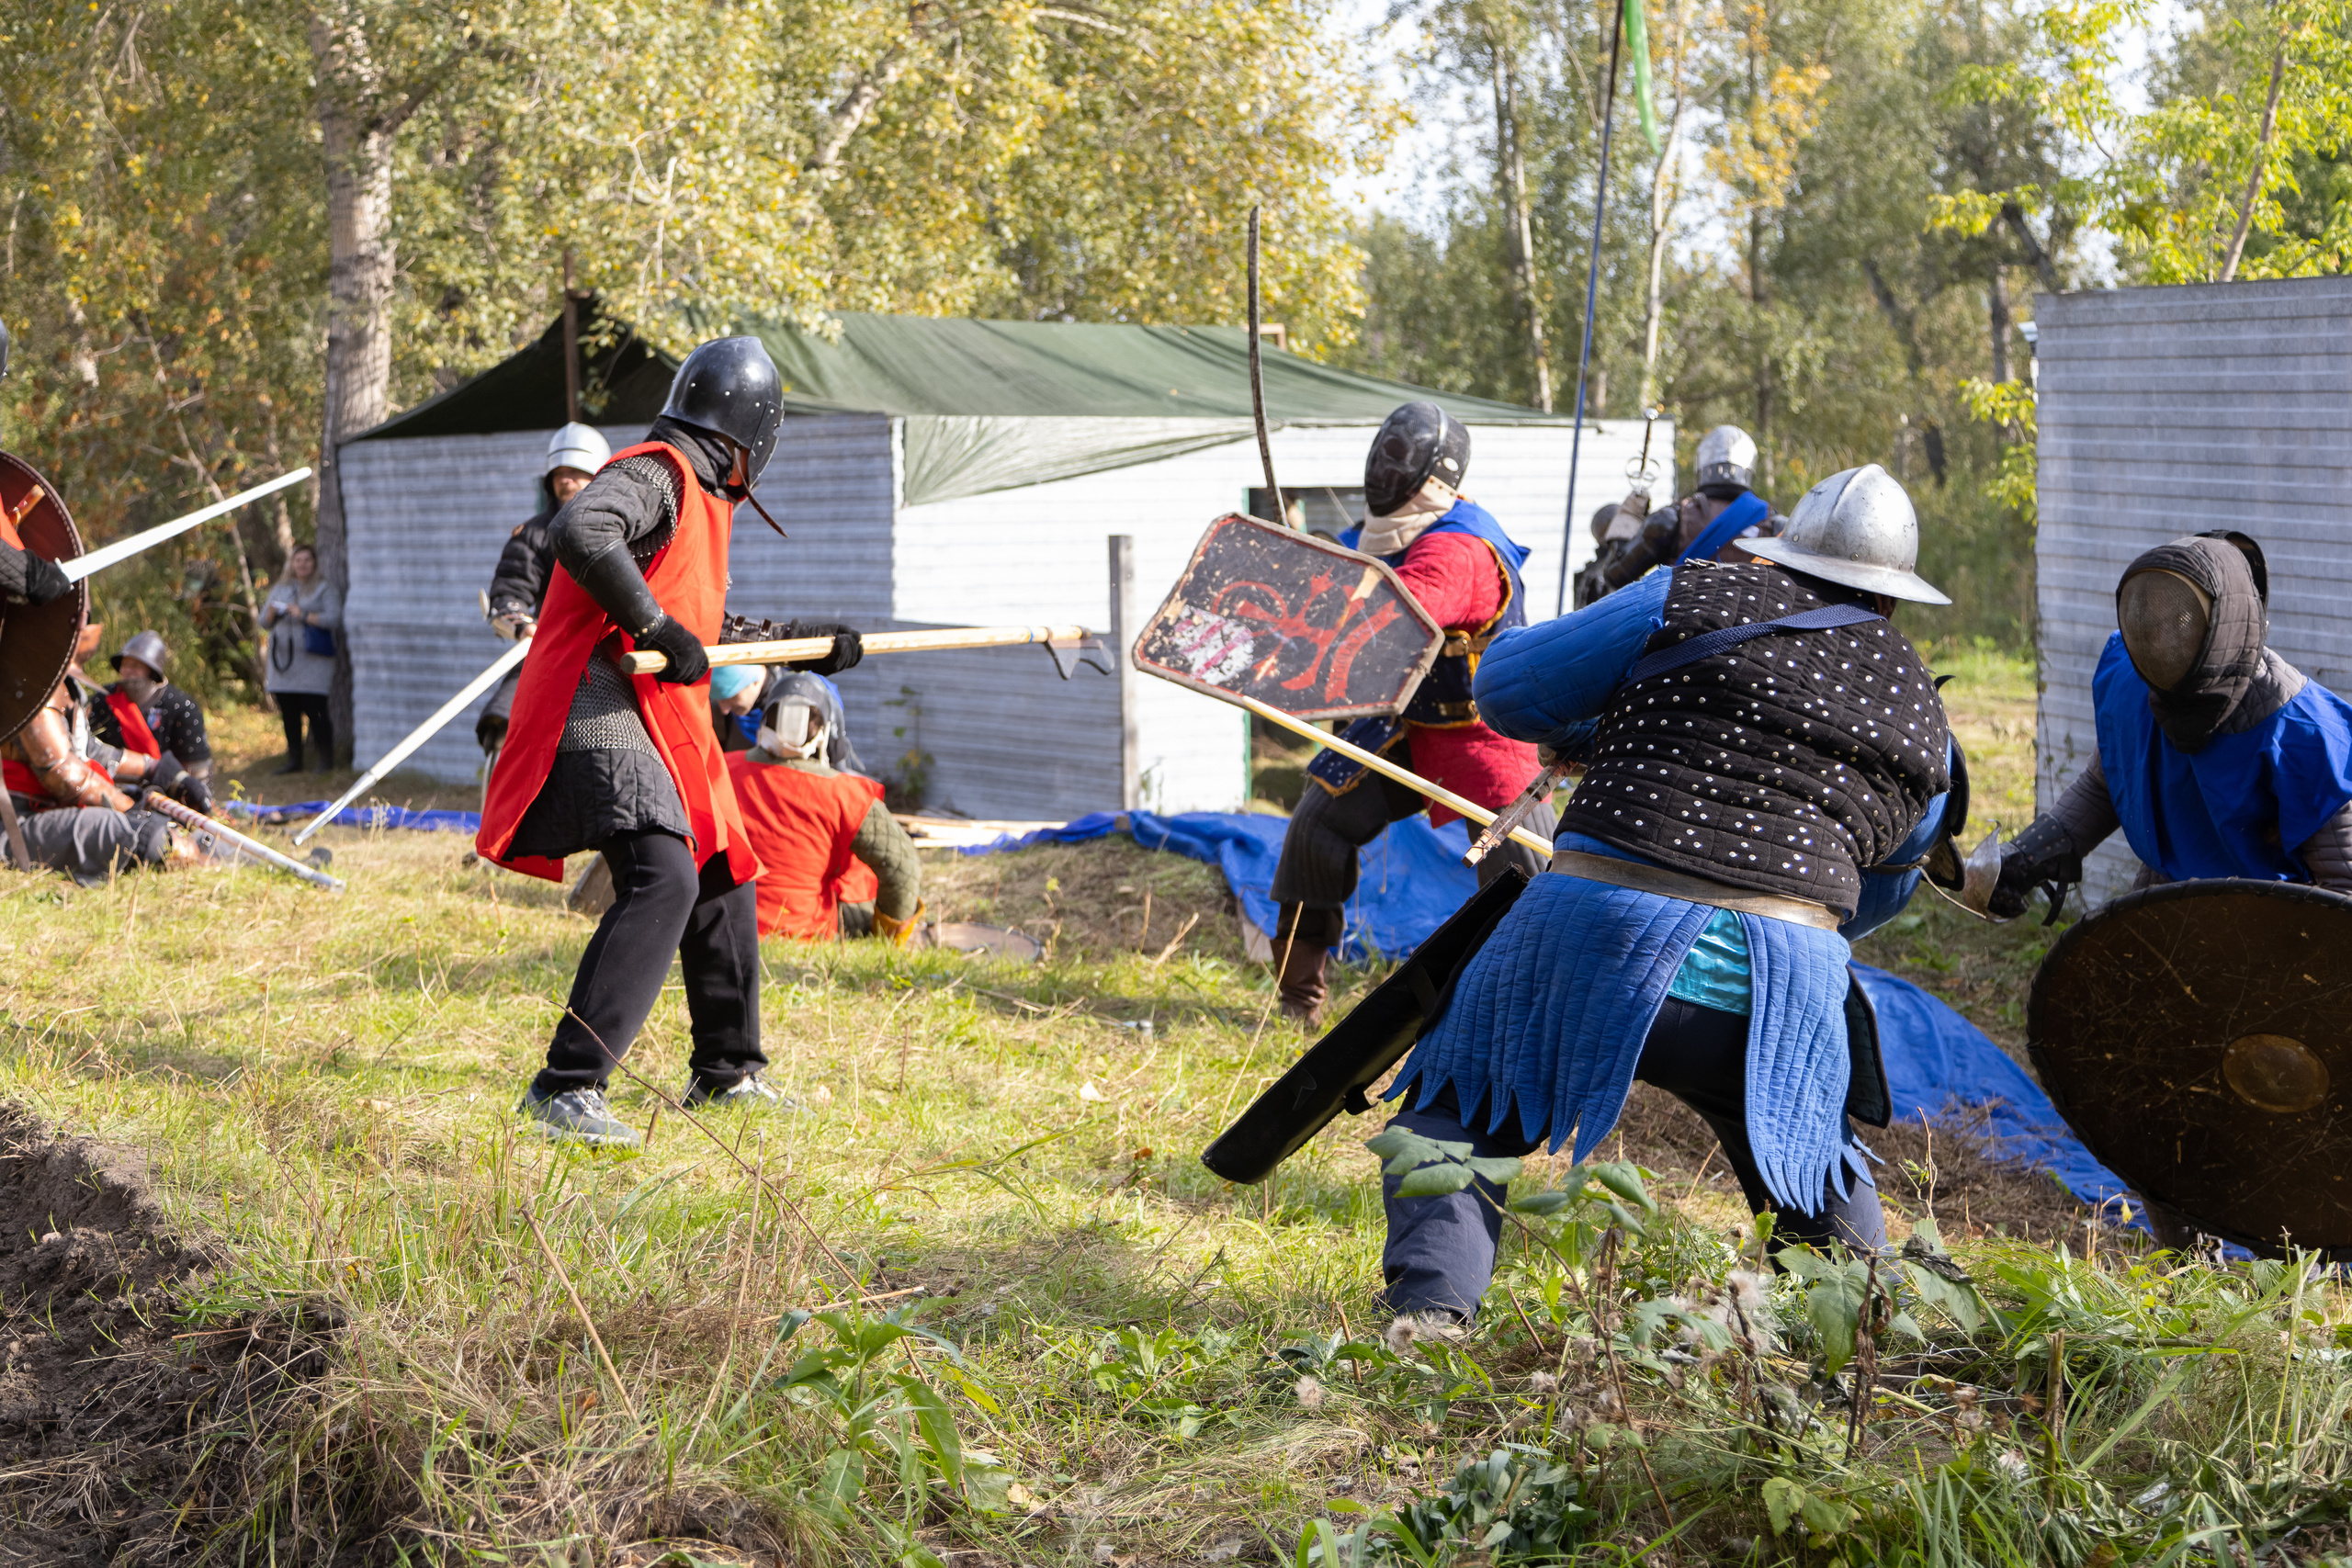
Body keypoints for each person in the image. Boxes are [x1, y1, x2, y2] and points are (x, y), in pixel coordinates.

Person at [1375, 464, 1957, 1321]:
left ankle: (1427, 1324)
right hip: (1781, 982)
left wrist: (1600, 718)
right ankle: (1869, 1337)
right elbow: (1877, 896)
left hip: (1592, 936)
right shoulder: (1920, 707)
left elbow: (1504, 688)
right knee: (1808, 1157)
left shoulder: (1692, 595)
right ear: (1895, 595)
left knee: (1456, 1107)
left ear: (1781, 552)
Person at [477, 335, 864, 1148]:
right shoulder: (659, 470)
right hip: (597, 698)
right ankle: (566, 1084)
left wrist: (809, 642)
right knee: (663, 875)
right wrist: (651, 624)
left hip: (661, 717)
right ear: (749, 435)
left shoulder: (700, 501)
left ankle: (728, 1072)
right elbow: (580, 530)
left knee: (724, 871)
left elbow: (710, 630)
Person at [1266, 401, 1555, 1026]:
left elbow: (1397, 611)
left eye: (1399, 459)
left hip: (1487, 734)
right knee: (1317, 824)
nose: (1384, 469)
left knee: (1524, 879)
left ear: (1431, 475)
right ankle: (1296, 1003)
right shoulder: (1383, 535)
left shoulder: (1459, 547)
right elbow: (1346, 578)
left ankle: (1520, 1016)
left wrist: (1321, 595)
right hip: (1401, 728)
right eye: (1384, 454)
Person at [1991, 532, 2352, 915]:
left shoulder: (2302, 732)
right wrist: (2025, 857)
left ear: (2226, 621)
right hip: (2164, 912)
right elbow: (2104, 787)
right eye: (2152, 622)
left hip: (2269, 927)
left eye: (2180, 621)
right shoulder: (2133, 685)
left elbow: (2341, 893)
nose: (2161, 641)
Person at [3, 624, 216, 883]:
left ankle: (219, 855)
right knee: (141, 834)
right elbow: (64, 772)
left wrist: (159, 770)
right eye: (82, 620)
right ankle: (208, 862)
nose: (91, 628)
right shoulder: (33, 681)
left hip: (52, 808)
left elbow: (90, 750)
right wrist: (130, 810)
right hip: (16, 822)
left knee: (156, 820)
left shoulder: (61, 682)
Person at [726, 673, 922, 941]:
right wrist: (886, 938)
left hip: (725, 926)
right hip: (809, 933)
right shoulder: (845, 793)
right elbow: (902, 866)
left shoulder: (721, 770)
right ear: (825, 731)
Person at [478, 423, 613, 762]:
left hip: (614, 651)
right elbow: (511, 592)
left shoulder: (624, 532)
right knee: (505, 726)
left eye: (577, 472)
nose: (566, 479)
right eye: (560, 473)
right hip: (551, 648)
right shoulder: (533, 535)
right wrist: (523, 625)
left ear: (597, 475)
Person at [1576, 424, 1781, 607]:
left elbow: (1615, 576)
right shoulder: (1776, 525)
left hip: (1680, 638)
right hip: (1751, 635)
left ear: (1701, 465)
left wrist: (1626, 523)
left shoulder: (1671, 519)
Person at [260, 545, 342, 773]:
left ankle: (326, 759)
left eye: (307, 560)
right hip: (284, 663)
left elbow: (334, 619)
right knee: (289, 711)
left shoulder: (324, 589)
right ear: (292, 563)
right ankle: (294, 760)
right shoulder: (280, 589)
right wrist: (272, 613)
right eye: (298, 560)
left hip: (314, 662)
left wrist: (304, 614)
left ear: (314, 563)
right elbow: (263, 622)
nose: (302, 565)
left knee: (316, 710)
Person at [90, 630, 212, 782]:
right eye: (125, 664)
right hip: (112, 784)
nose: (128, 671)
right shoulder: (104, 700)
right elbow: (90, 751)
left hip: (167, 787)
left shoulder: (181, 707)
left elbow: (197, 769)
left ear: (152, 671)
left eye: (135, 666)